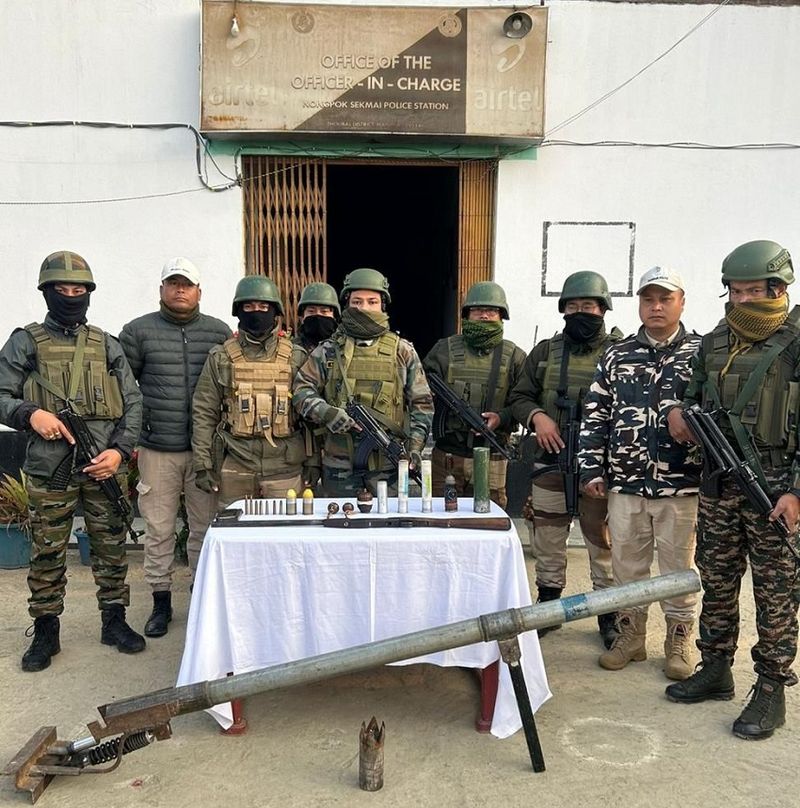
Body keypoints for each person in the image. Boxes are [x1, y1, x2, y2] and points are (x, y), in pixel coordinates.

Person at [665, 240, 800, 740]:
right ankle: (716, 667)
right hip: (719, 483)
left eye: (752, 292)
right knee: (717, 579)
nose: (741, 301)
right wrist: (678, 411)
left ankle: (771, 687)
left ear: (779, 289)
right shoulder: (716, 341)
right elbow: (692, 394)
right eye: (735, 292)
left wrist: (796, 492)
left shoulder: (796, 341)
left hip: (776, 489)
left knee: (775, 590)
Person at [0, 251, 144, 671]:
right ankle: (46, 630)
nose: (69, 296)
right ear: (46, 292)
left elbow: (133, 402)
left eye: (77, 289)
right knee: (47, 551)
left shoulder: (106, 344)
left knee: (111, 547)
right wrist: (30, 414)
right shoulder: (26, 342)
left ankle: (114, 621)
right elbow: (2, 394)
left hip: (104, 463)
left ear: (88, 293)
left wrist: (119, 451)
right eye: (60, 289)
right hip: (50, 468)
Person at [579, 266, 701, 680]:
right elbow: (596, 414)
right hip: (626, 482)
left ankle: (678, 641)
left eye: (665, 299)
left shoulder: (700, 353)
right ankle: (631, 637)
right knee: (627, 566)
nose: (656, 307)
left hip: (681, 484)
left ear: (681, 303)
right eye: (648, 299)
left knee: (678, 568)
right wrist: (591, 468)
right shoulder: (617, 354)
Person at [508, 271, 622, 649]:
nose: (580, 313)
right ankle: (549, 603)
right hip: (551, 460)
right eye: (572, 307)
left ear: (603, 309)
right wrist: (537, 417)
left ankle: (608, 611)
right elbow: (519, 396)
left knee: (602, 539)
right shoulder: (546, 352)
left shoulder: (621, 352)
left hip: (601, 466)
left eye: (588, 306)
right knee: (548, 535)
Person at [119, 257, 230, 638]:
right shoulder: (138, 332)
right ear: (162, 289)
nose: (180, 289)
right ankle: (161, 602)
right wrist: (132, 434)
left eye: (187, 284)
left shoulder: (218, 332)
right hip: (157, 449)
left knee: (205, 527)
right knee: (159, 528)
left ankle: (201, 597)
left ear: (199, 291)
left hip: (206, 451)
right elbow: (124, 389)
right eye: (173, 283)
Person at [292, 268, 433, 496]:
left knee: (389, 518)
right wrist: (327, 413)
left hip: (387, 466)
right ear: (347, 305)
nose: (364, 308)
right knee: (339, 516)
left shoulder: (402, 351)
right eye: (357, 302)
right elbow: (301, 391)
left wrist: (415, 447)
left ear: (382, 305)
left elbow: (422, 403)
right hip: (339, 466)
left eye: (372, 302)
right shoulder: (328, 350)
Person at [192, 276, 306, 506]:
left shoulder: (296, 357)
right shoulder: (221, 357)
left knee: (285, 527)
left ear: (275, 311)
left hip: (284, 466)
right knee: (234, 527)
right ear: (238, 311)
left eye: (264, 307)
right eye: (249, 307)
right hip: (236, 463)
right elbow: (204, 412)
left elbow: (309, 414)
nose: (256, 312)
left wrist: (313, 463)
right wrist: (203, 465)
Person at [423, 281, 526, 509]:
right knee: (442, 514)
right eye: (478, 310)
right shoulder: (443, 350)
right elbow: (419, 391)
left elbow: (524, 401)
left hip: (493, 455)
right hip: (448, 455)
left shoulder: (515, 356)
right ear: (467, 314)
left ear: (502, 316)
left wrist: (501, 417)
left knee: (489, 517)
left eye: (492, 311)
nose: (484, 316)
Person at [292, 282, 341, 490]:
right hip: (300, 446)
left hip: (338, 443)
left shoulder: (344, 351)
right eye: (311, 311)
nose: (318, 316)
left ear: (335, 316)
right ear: (301, 316)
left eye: (324, 311)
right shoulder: (289, 352)